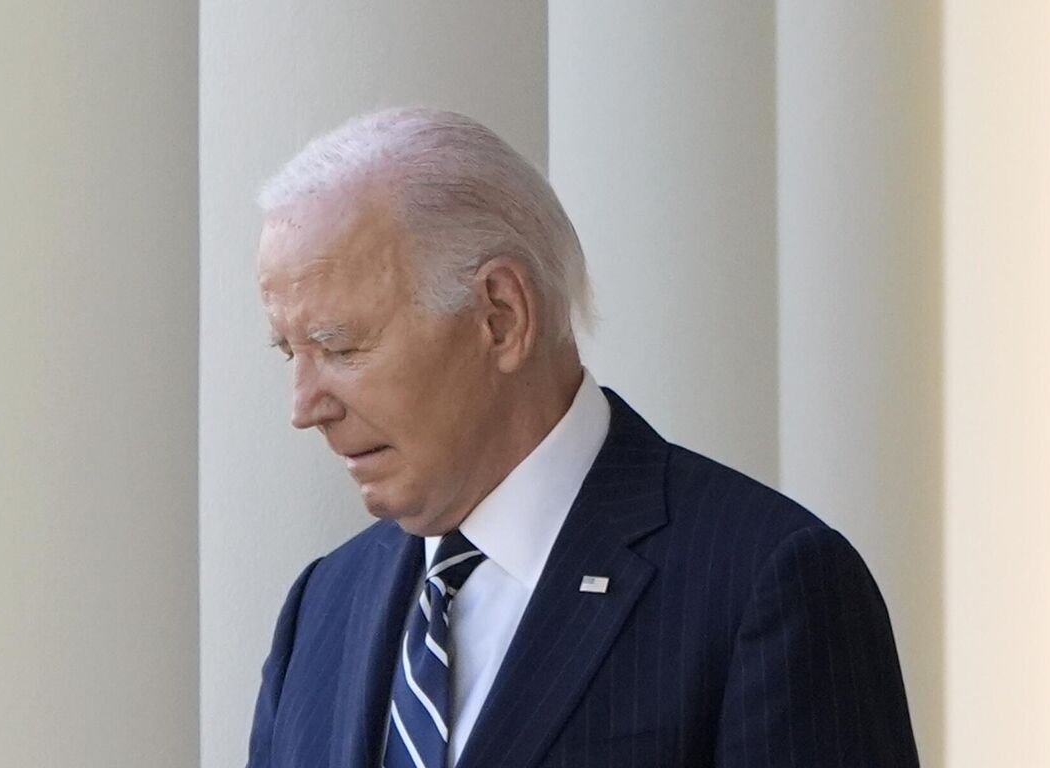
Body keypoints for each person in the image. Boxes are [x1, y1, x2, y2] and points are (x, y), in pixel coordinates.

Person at [246, 107, 918, 768]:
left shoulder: (763, 584)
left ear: (501, 316)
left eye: (340, 346)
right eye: (290, 353)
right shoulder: (323, 606)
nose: (305, 407)